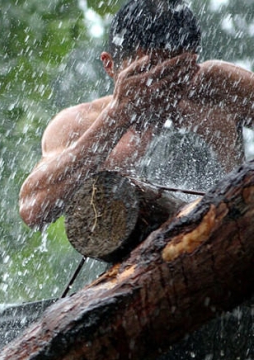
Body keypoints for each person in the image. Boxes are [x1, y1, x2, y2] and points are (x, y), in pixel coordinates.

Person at [19, 0, 254, 229]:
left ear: (192, 63)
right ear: (110, 66)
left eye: (176, 74)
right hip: (137, 266)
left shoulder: (217, 93)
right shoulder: (79, 124)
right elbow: (33, 208)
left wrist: (231, 83)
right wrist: (117, 116)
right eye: (148, 75)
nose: (162, 90)